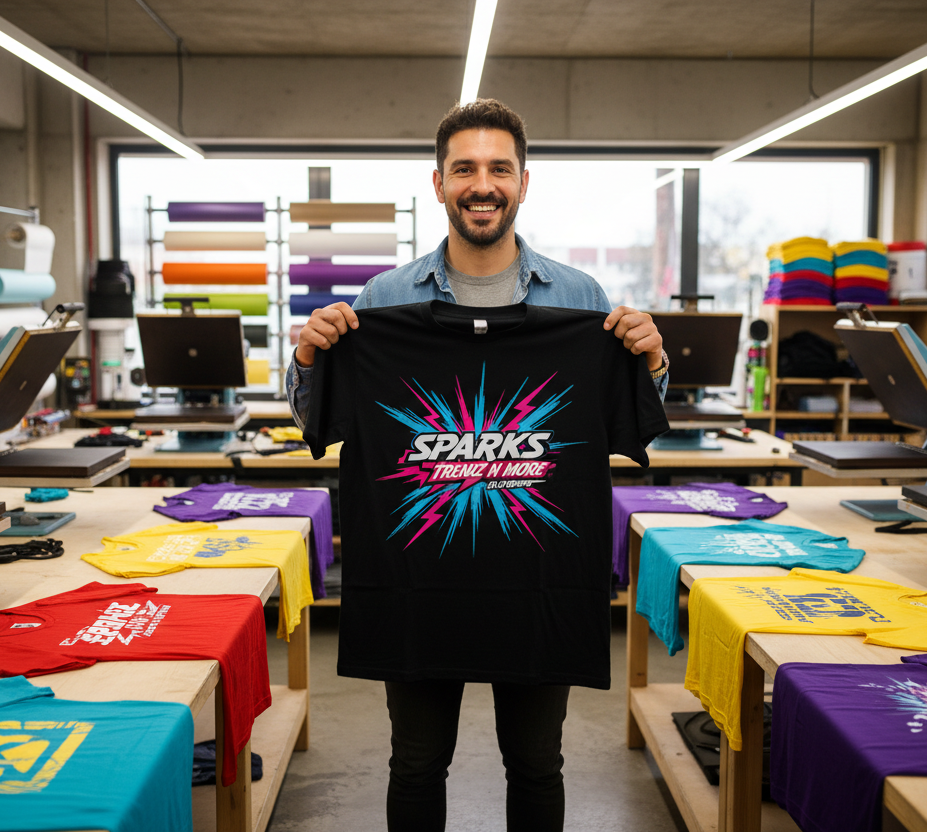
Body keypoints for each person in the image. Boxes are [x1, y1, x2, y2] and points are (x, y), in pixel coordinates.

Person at [285, 99, 669, 831]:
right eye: (464, 169)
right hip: (416, 588)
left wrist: (650, 361)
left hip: (540, 586)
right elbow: (318, 424)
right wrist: (309, 355)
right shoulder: (382, 303)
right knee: (415, 762)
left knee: (538, 763)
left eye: (499, 169)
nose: (482, 184)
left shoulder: (581, 301)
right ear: (439, 184)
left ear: (524, 182)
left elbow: (630, 426)